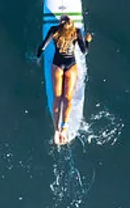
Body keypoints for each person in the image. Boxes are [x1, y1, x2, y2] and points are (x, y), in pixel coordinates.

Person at [37, 15, 92, 144]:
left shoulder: (54, 30)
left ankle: (56, 130)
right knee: (67, 98)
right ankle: (63, 127)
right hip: (71, 66)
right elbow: (84, 51)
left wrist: (38, 58)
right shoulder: (76, 32)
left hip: (57, 66)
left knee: (57, 98)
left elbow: (42, 47)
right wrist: (87, 40)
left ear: (61, 23)